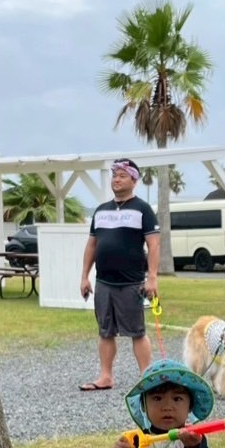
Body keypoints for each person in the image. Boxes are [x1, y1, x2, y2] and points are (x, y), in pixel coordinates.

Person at [79, 158, 160, 391]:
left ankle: (147, 377)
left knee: (137, 332)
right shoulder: (101, 211)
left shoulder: (142, 209)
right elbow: (92, 245)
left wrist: (152, 278)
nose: (116, 179)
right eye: (114, 175)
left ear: (134, 180)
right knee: (105, 331)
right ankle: (105, 377)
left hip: (131, 282)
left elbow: (154, 245)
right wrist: (84, 276)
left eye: (122, 176)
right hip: (104, 282)